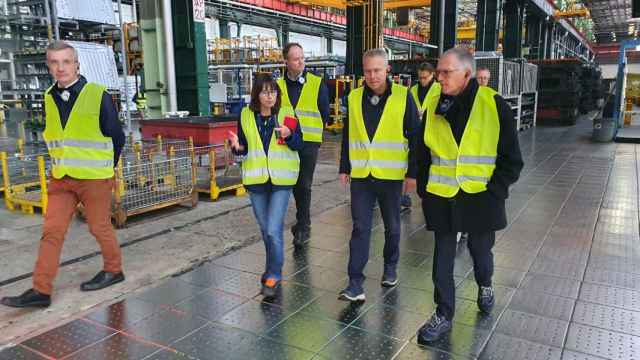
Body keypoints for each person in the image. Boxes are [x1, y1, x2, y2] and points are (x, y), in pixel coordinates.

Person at [1, 41, 126, 308]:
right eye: (54, 63)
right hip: (62, 178)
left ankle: (114, 270)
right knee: (51, 231)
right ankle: (41, 290)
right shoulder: (48, 96)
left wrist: (107, 169)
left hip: (94, 178)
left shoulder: (97, 94)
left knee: (98, 226)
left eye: (66, 62)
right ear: (48, 66)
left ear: (76, 64)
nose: (61, 68)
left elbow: (117, 137)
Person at [415, 48, 523, 342]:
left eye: (446, 72)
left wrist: (495, 192)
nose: (440, 78)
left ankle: (485, 283)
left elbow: (512, 159)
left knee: (480, 252)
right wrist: (425, 188)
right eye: (438, 72)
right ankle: (443, 313)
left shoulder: (493, 105)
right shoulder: (435, 102)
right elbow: (423, 151)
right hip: (443, 195)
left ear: (467, 73)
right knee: (442, 259)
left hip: (481, 197)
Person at [338, 49, 419, 302]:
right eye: (368, 71)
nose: (372, 76)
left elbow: (416, 137)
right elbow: (348, 133)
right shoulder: (353, 97)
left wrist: (412, 173)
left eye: (377, 70)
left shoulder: (403, 97)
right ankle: (354, 283)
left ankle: (390, 266)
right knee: (360, 227)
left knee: (393, 227)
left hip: (391, 175)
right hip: (362, 174)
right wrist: (345, 166)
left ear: (387, 70)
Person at [229, 73, 303, 299]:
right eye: (265, 91)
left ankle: (273, 274)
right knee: (266, 230)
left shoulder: (287, 114)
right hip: (256, 181)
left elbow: (299, 144)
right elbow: (243, 149)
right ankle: (271, 268)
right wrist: (237, 148)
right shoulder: (245, 115)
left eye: (273, 91)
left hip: (281, 180)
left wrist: (290, 135)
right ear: (256, 94)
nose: (270, 96)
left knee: (272, 229)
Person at [276, 43, 330, 248]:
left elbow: (324, 114)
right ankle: (299, 224)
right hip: (285, 142)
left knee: (304, 185)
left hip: (308, 143)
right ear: (286, 61)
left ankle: (304, 227)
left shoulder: (317, 83)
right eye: (296, 58)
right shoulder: (278, 85)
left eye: (302, 57)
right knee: (289, 184)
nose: (301, 61)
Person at [403, 62, 440, 209]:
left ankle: (430, 195)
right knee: (410, 163)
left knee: (429, 164)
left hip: (432, 132)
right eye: (420, 78)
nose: (423, 80)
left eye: (425, 77)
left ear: (432, 75)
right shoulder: (413, 89)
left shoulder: (439, 89)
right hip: (415, 131)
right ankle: (405, 196)